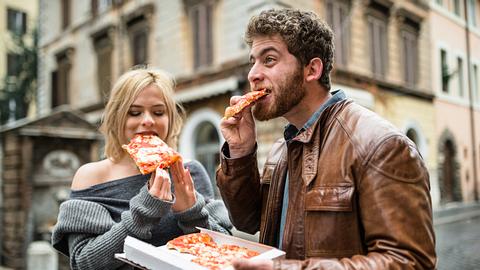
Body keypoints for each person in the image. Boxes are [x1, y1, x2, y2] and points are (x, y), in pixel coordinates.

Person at [217, 8, 436, 270]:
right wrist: (240, 152)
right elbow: (248, 221)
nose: (253, 74)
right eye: (253, 61)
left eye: (269, 60)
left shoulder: (380, 144)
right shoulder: (281, 148)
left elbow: (411, 262)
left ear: (312, 69)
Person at [51, 68, 232, 269]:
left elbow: (224, 249)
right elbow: (84, 262)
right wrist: (144, 212)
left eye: (158, 112)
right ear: (116, 118)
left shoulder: (188, 171)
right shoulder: (92, 176)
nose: (148, 120)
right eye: (134, 112)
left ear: (170, 119)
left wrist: (191, 213)